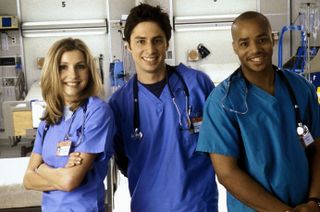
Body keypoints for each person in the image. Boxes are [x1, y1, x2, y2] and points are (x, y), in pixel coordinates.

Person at [197, 11, 320, 212]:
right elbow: (227, 173)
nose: (255, 49)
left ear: (272, 40)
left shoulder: (300, 88)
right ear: (235, 47)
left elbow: (317, 148)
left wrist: (315, 201)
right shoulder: (222, 102)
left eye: (262, 39)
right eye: (244, 43)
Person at [108, 3, 218, 212]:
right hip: (147, 206)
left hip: (198, 205)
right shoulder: (119, 104)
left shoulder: (197, 85)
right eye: (140, 41)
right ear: (128, 46)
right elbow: (123, 160)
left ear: (167, 43)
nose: (150, 50)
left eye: (157, 40)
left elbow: (219, 143)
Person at [23, 38, 115, 212]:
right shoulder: (49, 119)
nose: (73, 75)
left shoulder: (97, 112)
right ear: (52, 71)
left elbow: (70, 181)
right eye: (63, 67)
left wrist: (41, 168)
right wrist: (61, 172)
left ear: (89, 70)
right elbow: (28, 180)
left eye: (80, 66)